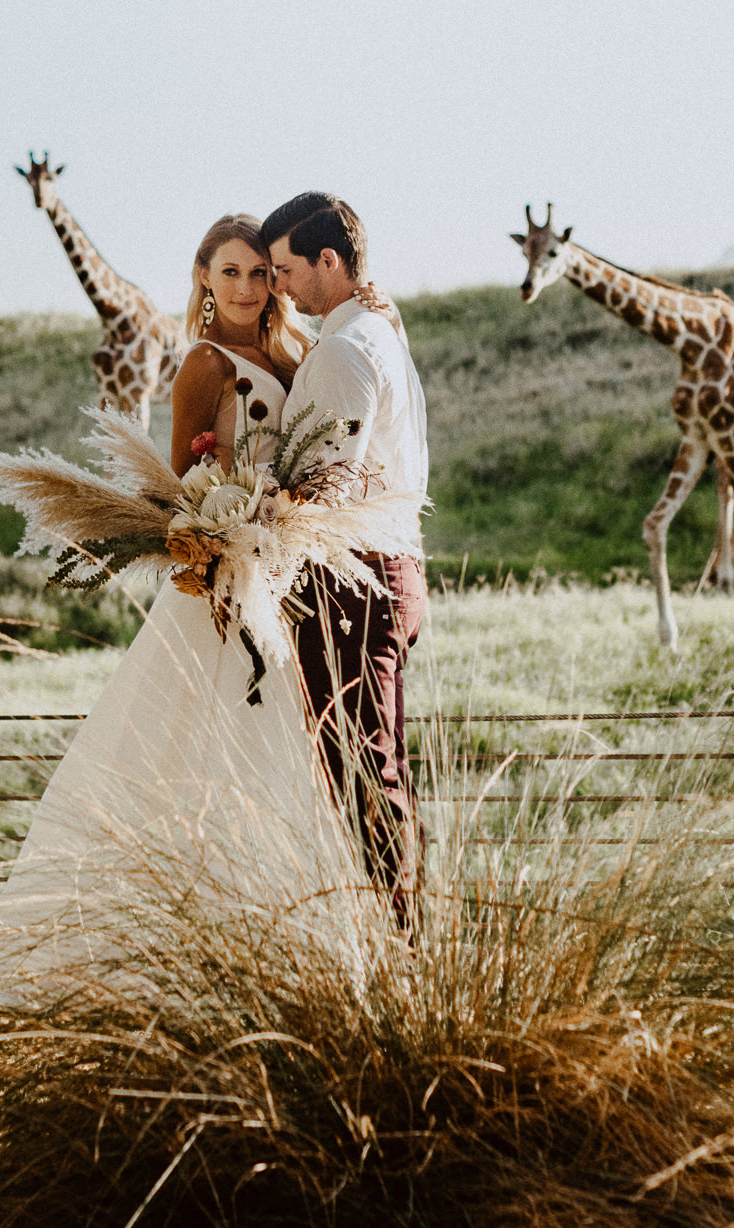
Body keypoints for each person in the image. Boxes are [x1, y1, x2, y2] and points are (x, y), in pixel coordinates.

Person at [0, 213, 366, 1005]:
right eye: (228, 272)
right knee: (185, 748)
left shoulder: (299, 353)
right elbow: (173, 493)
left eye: (258, 273)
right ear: (204, 279)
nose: (246, 288)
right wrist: (217, 532)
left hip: (284, 583)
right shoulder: (203, 366)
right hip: (222, 586)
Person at [262, 191, 430, 932]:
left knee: (361, 768)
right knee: (377, 760)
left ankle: (398, 932)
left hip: (351, 581)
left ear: (328, 261)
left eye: (284, 268)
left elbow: (323, 485)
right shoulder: (378, 329)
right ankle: (398, 923)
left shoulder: (341, 348)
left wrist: (254, 514)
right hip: (388, 573)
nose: (277, 286)